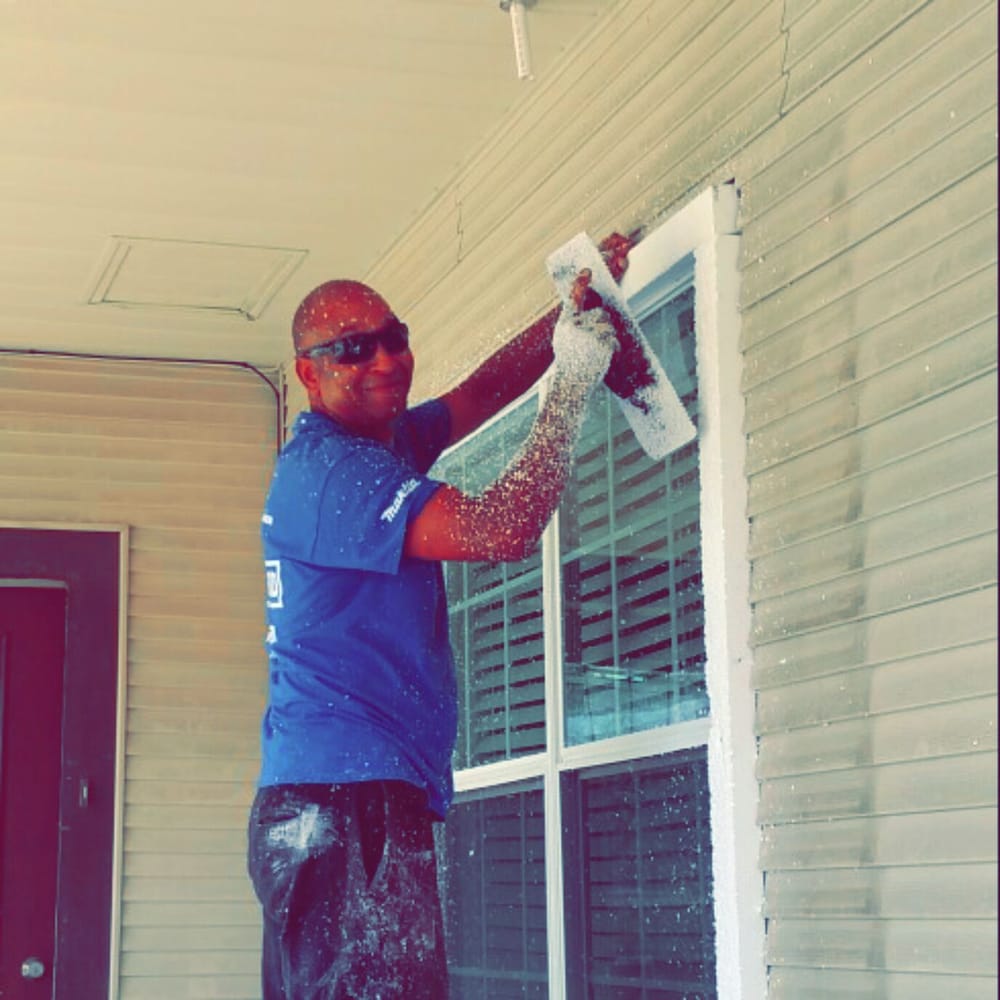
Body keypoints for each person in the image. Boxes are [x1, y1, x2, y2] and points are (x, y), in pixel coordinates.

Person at [248, 236, 633, 999]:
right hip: (342, 809)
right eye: (355, 350)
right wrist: (576, 381)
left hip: (335, 803)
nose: (387, 361)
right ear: (308, 374)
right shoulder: (334, 475)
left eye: (396, 338)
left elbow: (477, 395)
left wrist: (565, 322)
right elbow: (501, 531)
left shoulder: (376, 439)